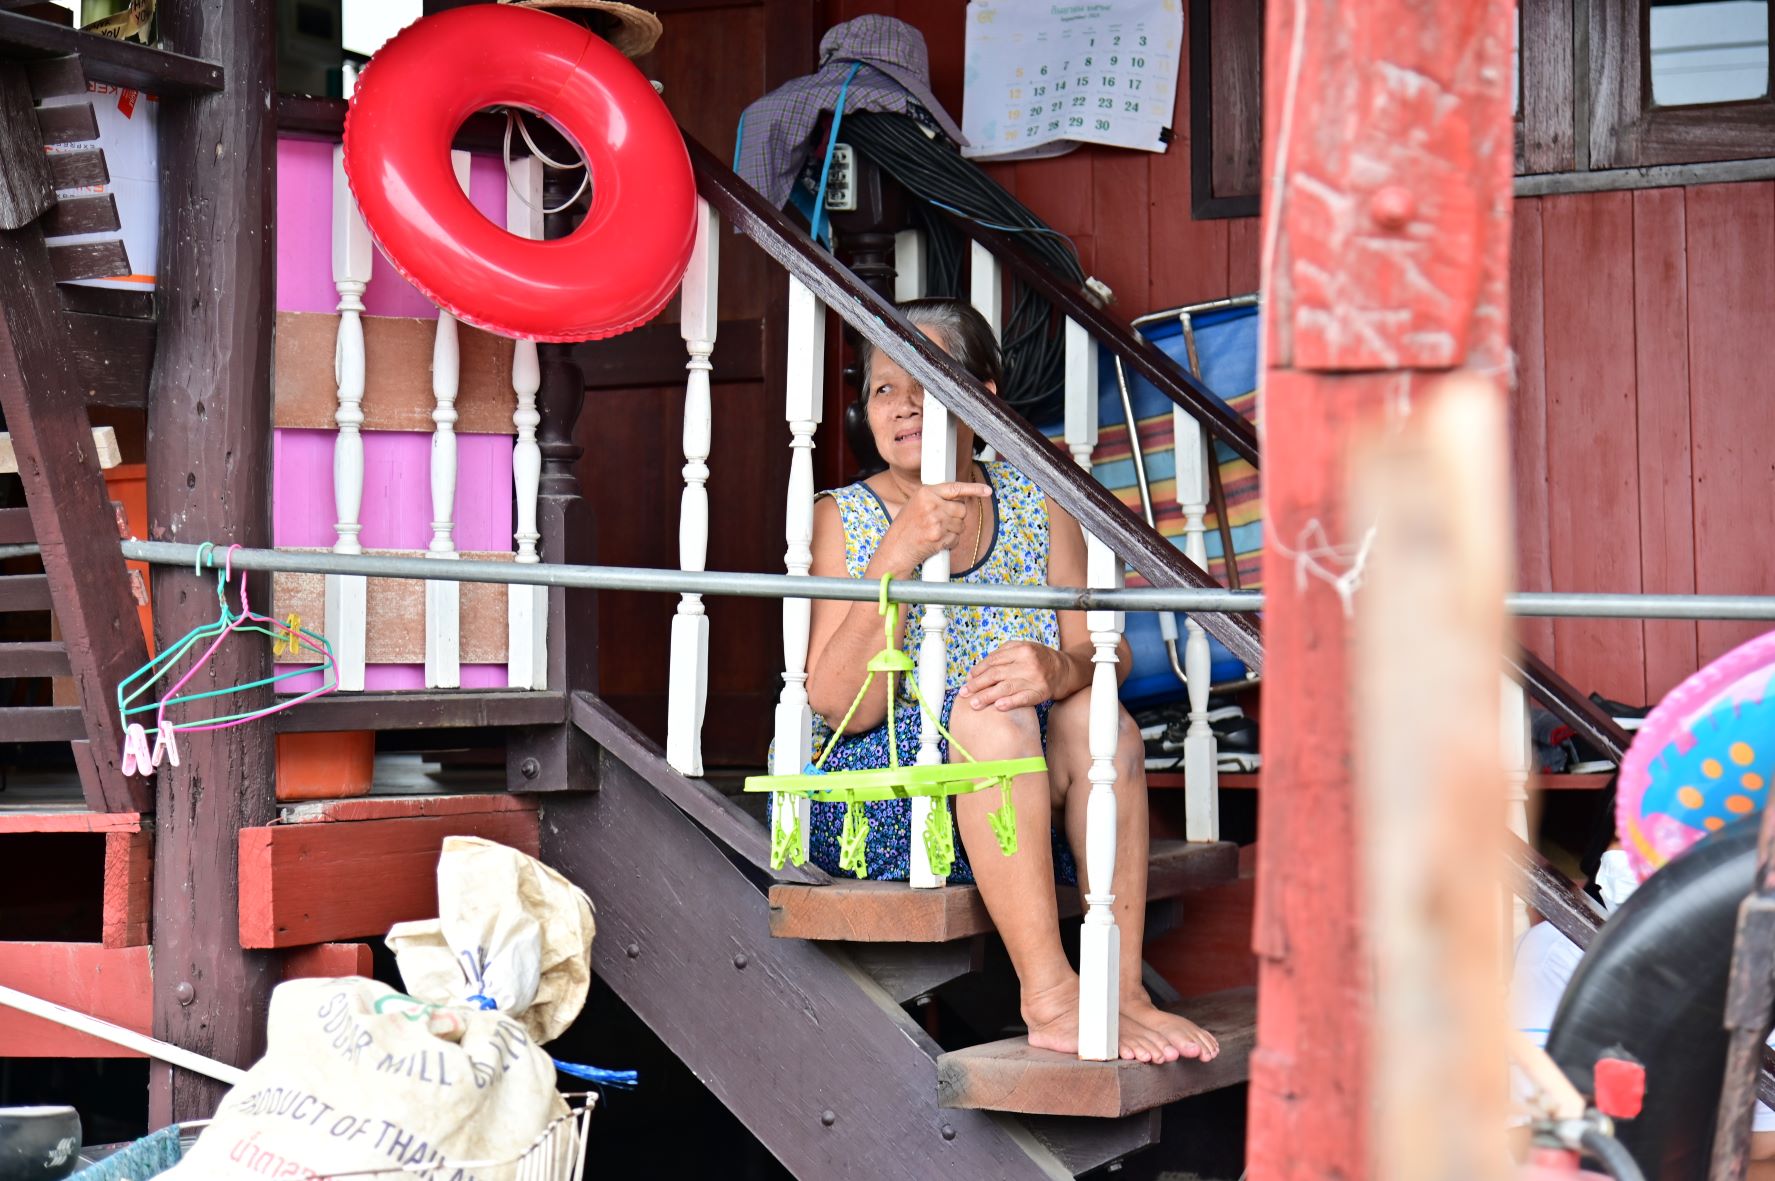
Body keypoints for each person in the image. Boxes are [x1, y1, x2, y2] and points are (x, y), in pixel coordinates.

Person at [799, 297, 1218, 1065]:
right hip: (892, 799)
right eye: (884, 388)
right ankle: (1050, 995)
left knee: (1101, 718)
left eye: (926, 379)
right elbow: (836, 705)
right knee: (988, 716)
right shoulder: (845, 516)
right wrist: (896, 554)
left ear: (982, 396)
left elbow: (1103, 653)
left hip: (1021, 807)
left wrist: (1058, 668)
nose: (903, 404)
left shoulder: (1035, 500)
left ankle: (1122, 988)